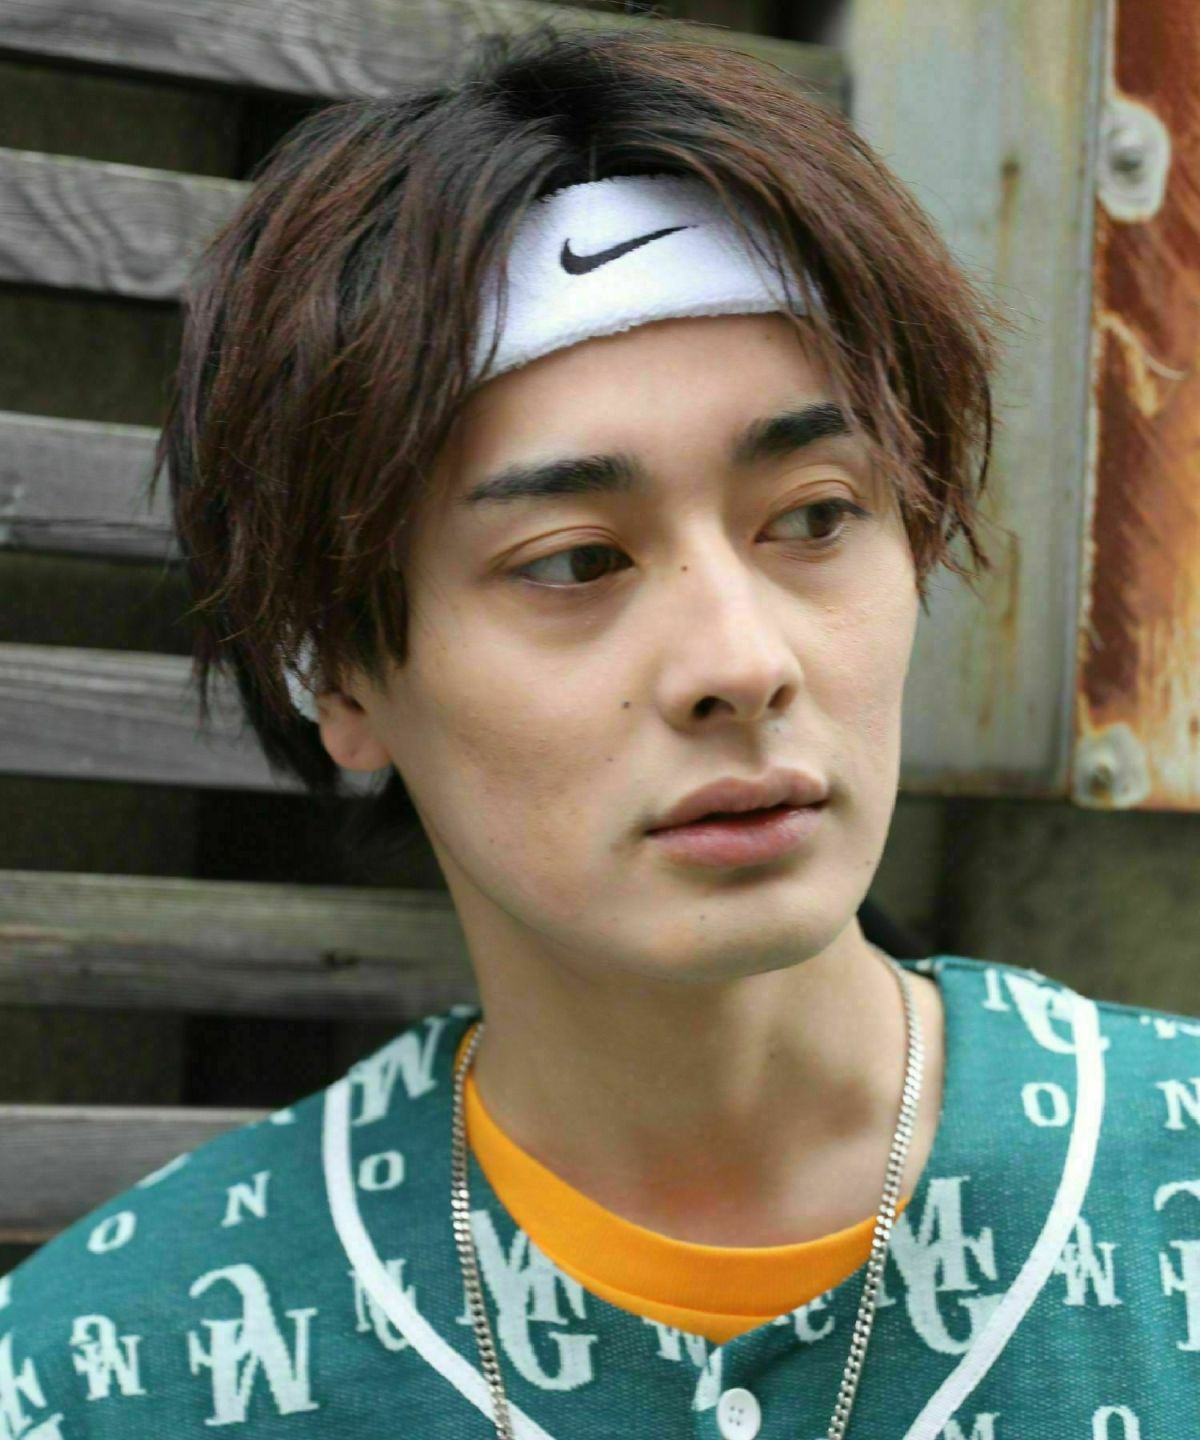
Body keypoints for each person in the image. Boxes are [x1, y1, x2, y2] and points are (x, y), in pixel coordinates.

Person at [3, 21, 1198, 1440]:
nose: (741, 662)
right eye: (576, 560)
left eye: (816, 516)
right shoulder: (111, 1372)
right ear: (343, 676)